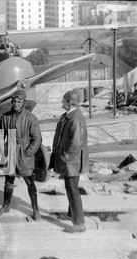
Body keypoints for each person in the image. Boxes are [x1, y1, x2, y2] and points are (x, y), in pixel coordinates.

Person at [0, 89, 42, 221]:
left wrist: (27, 153)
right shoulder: (5, 117)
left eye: (19, 101)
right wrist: (2, 151)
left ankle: (36, 210)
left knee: (30, 183)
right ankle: (6, 205)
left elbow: (37, 139)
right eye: (14, 101)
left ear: (24, 102)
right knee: (8, 182)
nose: (16, 103)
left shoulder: (31, 118)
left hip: (24, 153)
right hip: (10, 152)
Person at [49, 89, 89, 233]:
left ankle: (79, 224)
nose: (62, 102)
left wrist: (64, 158)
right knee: (71, 188)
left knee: (72, 189)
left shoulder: (75, 119)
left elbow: (76, 144)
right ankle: (72, 214)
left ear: (70, 102)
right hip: (71, 161)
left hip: (72, 162)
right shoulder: (70, 116)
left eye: (63, 100)